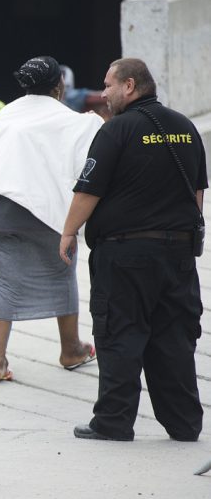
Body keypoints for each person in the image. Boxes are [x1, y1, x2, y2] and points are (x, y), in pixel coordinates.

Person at [60, 58, 207, 442]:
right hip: (177, 254)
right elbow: (197, 194)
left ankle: (113, 421)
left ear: (129, 86)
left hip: (124, 256)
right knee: (174, 338)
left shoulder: (117, 131)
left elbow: (88, 189)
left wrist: (68, 232)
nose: (103, 93)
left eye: (108, 86)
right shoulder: (185, 128)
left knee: (120, 334)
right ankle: (184, 423)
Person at [0, 56, 102, 383]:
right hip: (47, 211)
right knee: (62, 272)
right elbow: (91, 149)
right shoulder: (69, 117)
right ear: (58, 86)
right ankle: (71, 350)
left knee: (2, 284)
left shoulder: (6, 116)